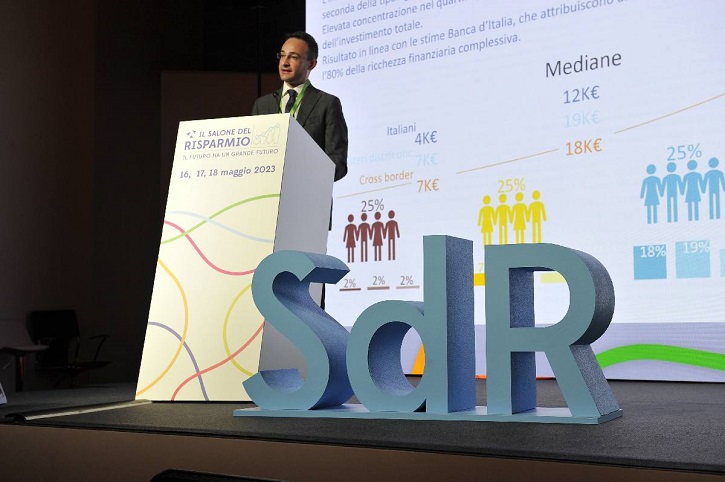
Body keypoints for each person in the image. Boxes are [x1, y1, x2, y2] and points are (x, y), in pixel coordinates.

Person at [252, 31, 348, 182]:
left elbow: (337, 163)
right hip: (268, 191)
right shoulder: (263, 105)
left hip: (308, 191)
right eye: (282, 55)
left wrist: (302, 177)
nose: (284, 63)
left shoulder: (327, 103)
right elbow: (252, 157)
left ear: (311, 64)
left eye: (294, 57)